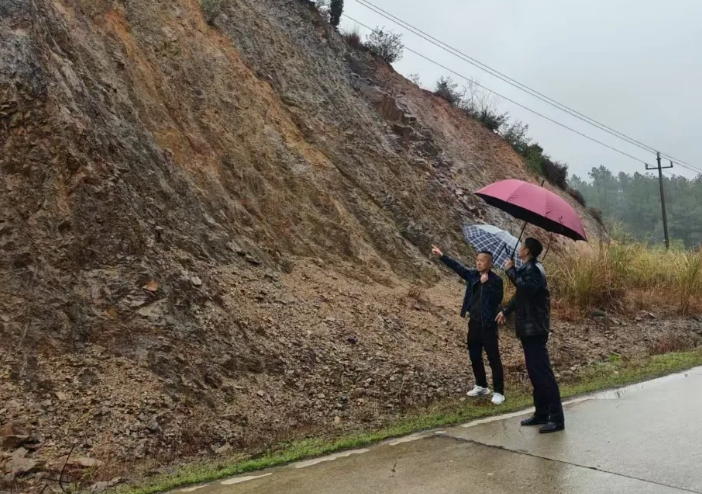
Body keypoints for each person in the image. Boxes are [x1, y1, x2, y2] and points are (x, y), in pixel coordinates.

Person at [496, 237, 565, 433]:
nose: (519, 248)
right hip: (529, 329)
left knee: (543, 373)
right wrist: (505, 311)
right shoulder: (528, 269)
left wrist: (510, 270)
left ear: (527, 251)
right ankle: (541, 413)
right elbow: (520, 296)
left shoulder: (534, 270)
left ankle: (557, 418)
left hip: (535, 328)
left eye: (522, 246)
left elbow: (525, 288)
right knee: (535, 373)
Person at [432, 245, 505, 405]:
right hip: (474, 322)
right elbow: (458, 268)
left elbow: (497, 300)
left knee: (493, 358)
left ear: (490, 263)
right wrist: (442, 256)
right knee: (474, 355)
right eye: (477, 260)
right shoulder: (472, 275)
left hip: (488, 324)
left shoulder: (496, 281)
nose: (478, 263)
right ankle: (481, 385)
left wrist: (486, 284)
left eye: (482, 260)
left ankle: (499, 392)